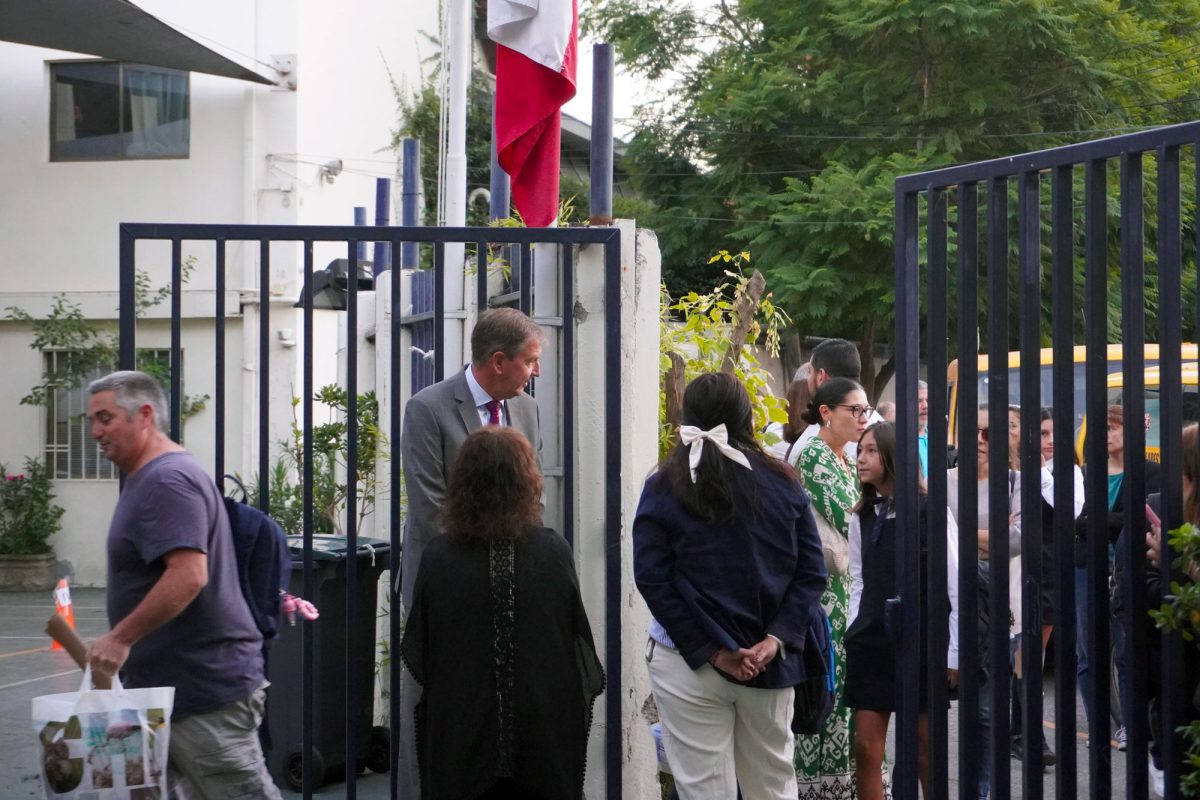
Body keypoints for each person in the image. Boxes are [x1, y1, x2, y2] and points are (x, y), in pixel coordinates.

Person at [84, 370, 282, 799]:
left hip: (201, 696)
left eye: (105, 418)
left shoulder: (165, 480)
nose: (96, 431)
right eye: (92, 421)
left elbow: (189, 574)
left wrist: (121, 638)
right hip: (176, 695)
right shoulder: (154, 476)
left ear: (145, 415)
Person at [633, 372, 827, 799]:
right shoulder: (782, 483)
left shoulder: (664, 486)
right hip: (767, 661)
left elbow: (652, 577)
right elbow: (812, 573)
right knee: (773, 785)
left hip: (686, 659)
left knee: (703, 789)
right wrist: (774, 640)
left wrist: (711, 652)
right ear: (747, 418)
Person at [400, 427, 603, 800]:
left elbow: (421, 651)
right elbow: (574, 647)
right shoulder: (552, 550)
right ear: (527, 482)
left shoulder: (439, 557)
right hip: (541, 737)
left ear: (463, 483)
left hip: (462, 739)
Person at [398, 306, 545, 795]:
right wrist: (480, 571)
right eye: (530, 361)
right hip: (446, 584)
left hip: (509, 586)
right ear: (498, 361)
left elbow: (530, 499)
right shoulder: (428, 408)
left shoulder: (527, 409)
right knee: (439, 707)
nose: (537, 371)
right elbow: (429, 508)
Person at [845, 421, 960, 800]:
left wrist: (953, 651)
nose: (861, 457)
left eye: (871, 450)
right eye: (860, 450)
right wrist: (854, 627)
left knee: (925, 751)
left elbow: (954, 583)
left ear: (894, 456)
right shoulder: (862, 514)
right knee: (865, 748)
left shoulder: (930, 510)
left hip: (922, 640)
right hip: (872, 641)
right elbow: (858, 580)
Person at [790, 377, 869, 797]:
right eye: (854, 410)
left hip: (843, 588)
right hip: (826, 595)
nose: (862, 419)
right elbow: (852, 518)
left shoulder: (840, 454)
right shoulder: (816, 455)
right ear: (826, 412)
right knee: (828, 696)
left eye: (865, 411)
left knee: (843, 700)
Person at [947, 405, 1024, 800]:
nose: (980, 441)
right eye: (973, 432)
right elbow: (934, 539)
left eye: (989, 433)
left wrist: (959, 533)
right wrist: (991, 534)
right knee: (941, 712)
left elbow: (1017, 540)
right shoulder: (942, 483)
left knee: (987, 712)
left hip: (999, 612)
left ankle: (981, 790)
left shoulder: (1015, 482)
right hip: (950, 611)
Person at [1074, 404, 1160, 752]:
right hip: (1088, 569)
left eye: (1112, 427)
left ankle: (1130, 724)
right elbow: (1077, 522)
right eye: (1102, 428)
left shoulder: (1150, 472)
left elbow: (1142, 522)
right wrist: (1111, 521)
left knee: (1127, 650)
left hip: (1130, 570)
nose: (1105, 435)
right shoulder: (1087, 473)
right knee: (1088, 653)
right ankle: (1098, 725)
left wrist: (1101, 521)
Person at [789, 338, 882, 461]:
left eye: (810, 372)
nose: (863, 419)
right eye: (855, 409)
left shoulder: (813, 448)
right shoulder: (882, 429)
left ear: (821, 376)